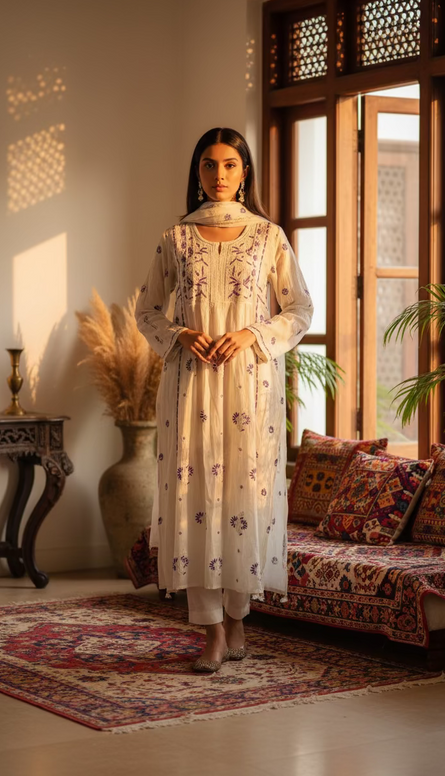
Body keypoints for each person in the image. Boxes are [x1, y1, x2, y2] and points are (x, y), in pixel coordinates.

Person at [135, 127, 313, 672]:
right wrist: (181, 335)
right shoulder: (175, 239)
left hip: (250, 390)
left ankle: (237, 619)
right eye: (210, 165)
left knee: (244, 501)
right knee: (194, 502)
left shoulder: (269, 238)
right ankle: (210, 631)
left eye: (230, 165)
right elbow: (146, 311)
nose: (219, 176)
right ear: (197, 171)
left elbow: (300, 310)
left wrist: (251, 336)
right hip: (190, 388)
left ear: (245, 173)